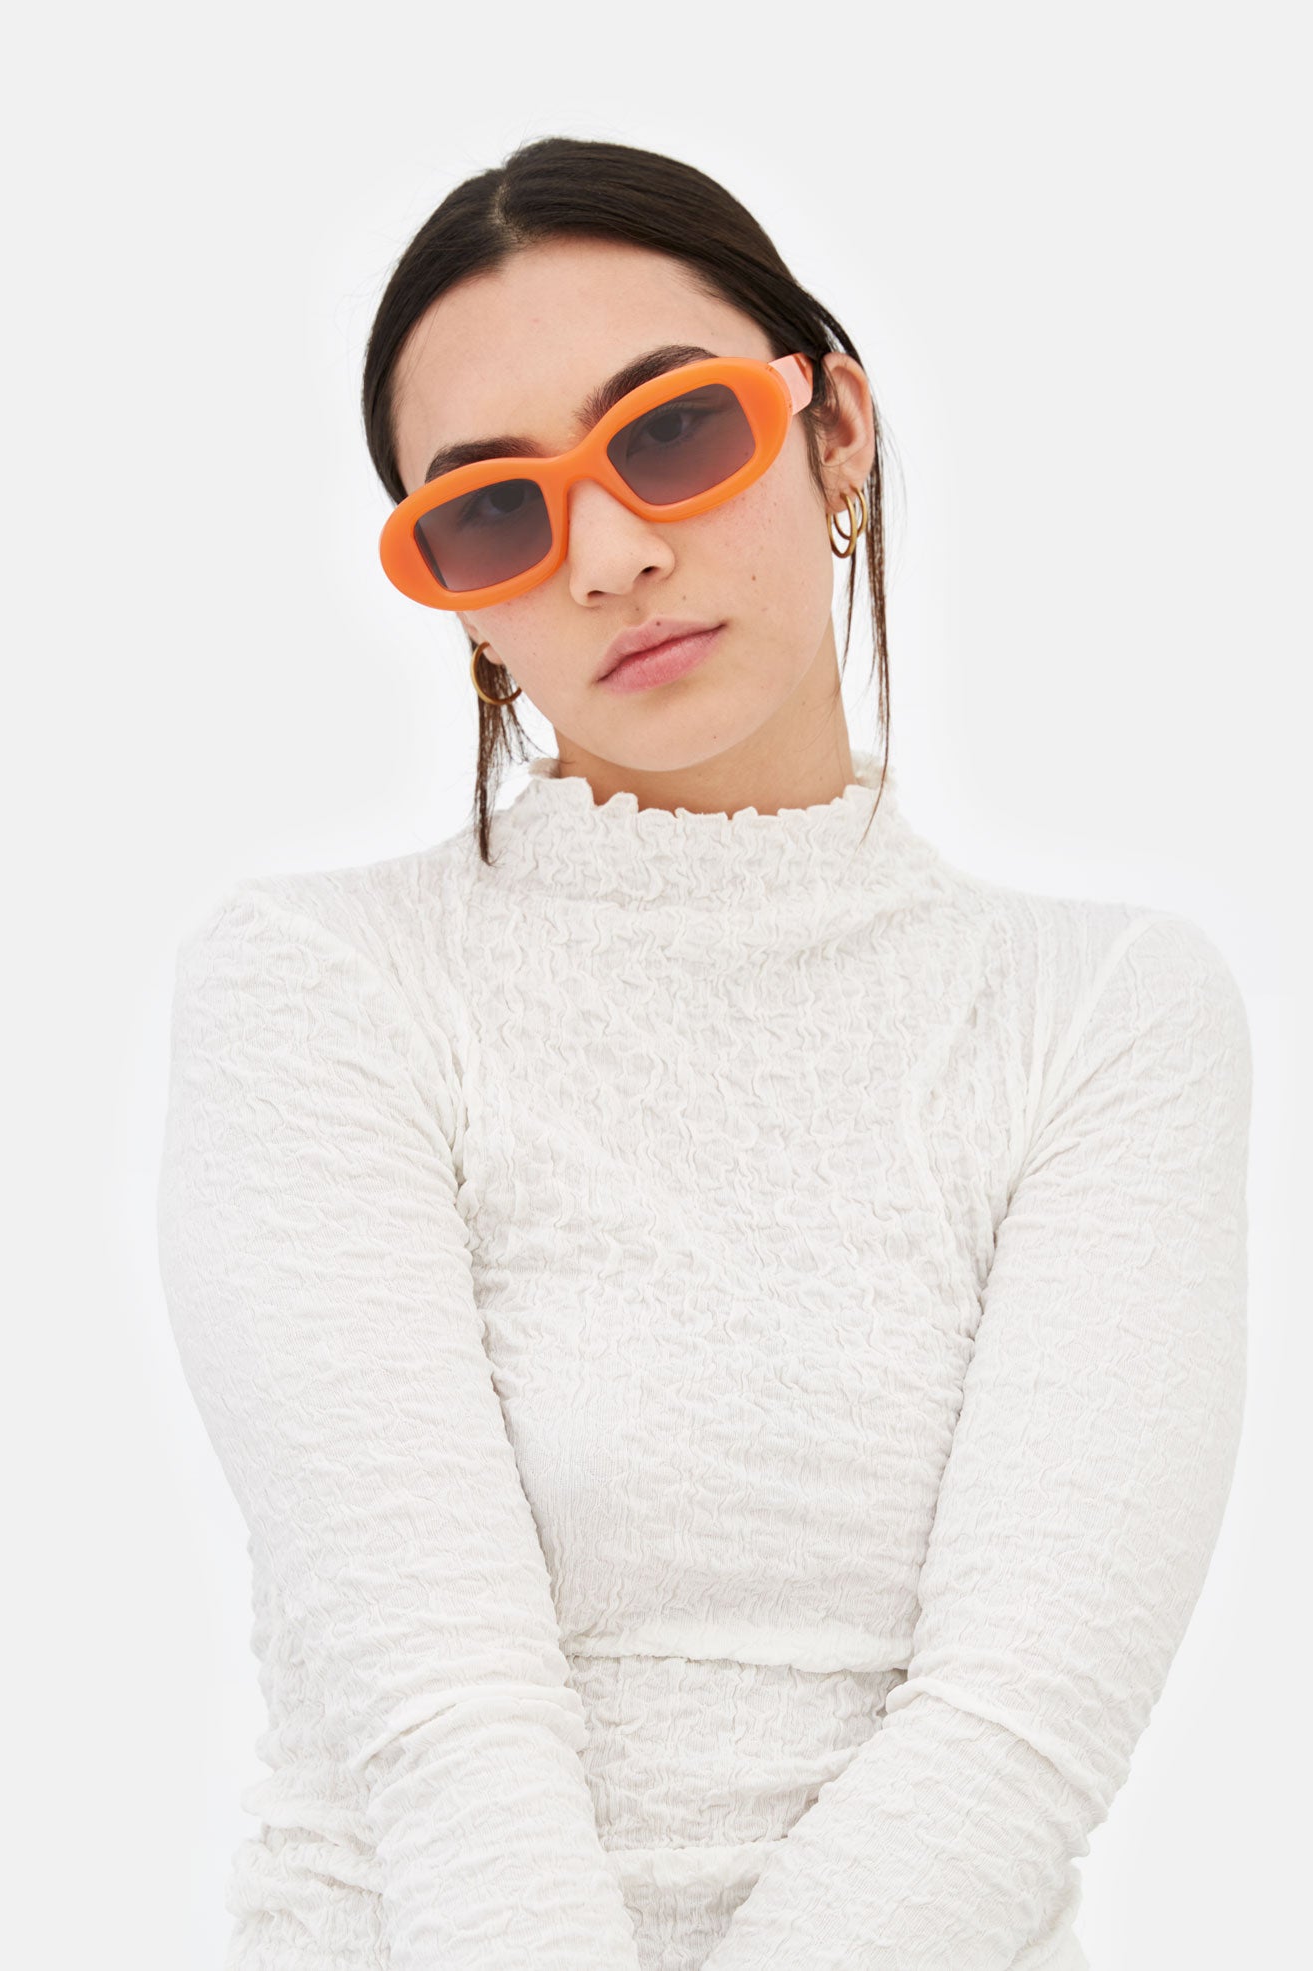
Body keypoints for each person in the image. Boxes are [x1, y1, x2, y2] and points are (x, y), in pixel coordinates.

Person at [155, 135, 1252, 1971]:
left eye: (671, 432)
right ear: (463, 601)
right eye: (492, 513)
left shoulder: (1102, 1017)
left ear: (837, 431)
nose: (610, 554)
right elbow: (443, 1739)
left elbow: (1019, 1738)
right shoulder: (324, 988)